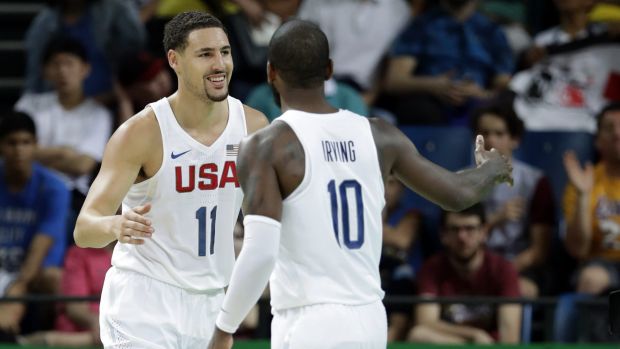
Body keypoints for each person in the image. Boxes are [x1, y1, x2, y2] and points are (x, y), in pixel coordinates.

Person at [208, 19, 512, 349]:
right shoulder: (380, 134)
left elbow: (261, 251)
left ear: (270, 73)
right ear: (329, 70)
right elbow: (457, 194)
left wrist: (225, 326)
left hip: (309, 321)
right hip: (369, 319)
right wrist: (491, 169)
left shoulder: (266, 146)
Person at [72, 11, 268, 348]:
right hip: (143, 299)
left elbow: (264, 223)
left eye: (225, 52)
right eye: (205, 54)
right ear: (174, 61)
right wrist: (115, 225)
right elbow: (84, 229)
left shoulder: (253, 126)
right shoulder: (140, 133)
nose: (219, 64)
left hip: (210, 302)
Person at [15, 37, 113, 211]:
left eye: (69, 64)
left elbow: (82, 165)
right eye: (56, 64)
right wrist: (64, 152)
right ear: (45, 71)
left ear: (85, 69)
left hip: (72, 195)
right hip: (26, 188)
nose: (62, 70)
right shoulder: (28, 104)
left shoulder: (99, 114)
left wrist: (33, 156)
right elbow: (11, 151)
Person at [470, 102, 555, 297]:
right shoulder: (460, 179)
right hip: (471, 266)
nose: (490, 140)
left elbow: (538, 251)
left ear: (514, 140)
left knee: (520, 290)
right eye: (484, 133)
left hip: (518, 266)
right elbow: (456, 236)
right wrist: (495, 219)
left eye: (499, 134)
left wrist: (503, 273)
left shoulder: (535, 182)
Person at [408, 204, 522, 344]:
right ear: (443, 235)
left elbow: (510, 337)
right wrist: (474, 335)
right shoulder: (431, 268)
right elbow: (425, 322)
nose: (462, 237)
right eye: (455, 229)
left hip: (490, 345)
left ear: (484, 232)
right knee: (418, 335)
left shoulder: (504, 269)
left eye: (470, 229)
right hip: (456, 342)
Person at [0, 111, 70, 337]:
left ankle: (41, 333)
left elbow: (40, 248)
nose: (19, 150)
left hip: (33, 271)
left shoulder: (54, 188)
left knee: (53, 278)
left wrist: (16, 290)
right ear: (1, 146)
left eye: (26, 142)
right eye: (12, 143)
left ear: (36, 145)